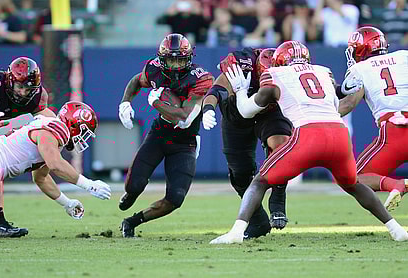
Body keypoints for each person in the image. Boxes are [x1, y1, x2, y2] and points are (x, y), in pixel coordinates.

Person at [210, 40, 408, 244]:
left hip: (309, 136)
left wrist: (241, 91)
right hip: (339, 135)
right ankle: (396, 229)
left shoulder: (275, 74)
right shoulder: (324, 72)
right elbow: (336, 104)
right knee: (353, 184)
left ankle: (236, 232)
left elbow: (245, 111)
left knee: (259, 182)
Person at [118, 33, 213, 237]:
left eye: (180, 60)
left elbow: (184, 118)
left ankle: (132, 221)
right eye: (171, 59)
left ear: (189, 58)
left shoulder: (200, 78)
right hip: (160, 134)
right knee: (134, 185)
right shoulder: (153, 69)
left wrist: (156, 103)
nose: (176, 65)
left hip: (185, 141)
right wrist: (125, 102)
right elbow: (136, 81)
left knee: (175, 198)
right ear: (162, 59)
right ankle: (131, 194)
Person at [0, 101, 112, 239]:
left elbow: (41, 178)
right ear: (73, 125)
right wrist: (90, 186)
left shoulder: (51, 133)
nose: (82, 138)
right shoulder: (54, 130)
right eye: (84, 132)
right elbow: (55, 164)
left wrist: (67, 203)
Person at [202, 47, 291, 238]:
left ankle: (277, 199)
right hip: (236, 117)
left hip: (269, 112)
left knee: (281, 145)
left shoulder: (288, 63)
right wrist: (208, 108)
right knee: (240, 174)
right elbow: (218, 88)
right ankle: (258, 221)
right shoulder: (242, 63)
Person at [0, 56, 57, 238]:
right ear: (9, 81)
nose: (23, 93)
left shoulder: (38, 97)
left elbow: (49, 118)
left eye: (28, 88)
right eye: (20, 87)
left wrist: (62, 135)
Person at [339, 26, 408, 211]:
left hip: (394, 132)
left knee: (353, 178)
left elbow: (348, 104)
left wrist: (319, 115)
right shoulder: (404, 57)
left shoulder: (360, 68)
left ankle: (395, 185)